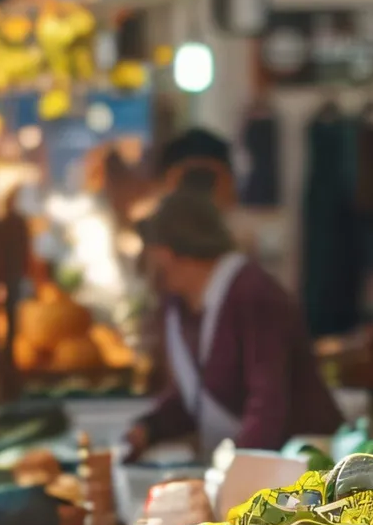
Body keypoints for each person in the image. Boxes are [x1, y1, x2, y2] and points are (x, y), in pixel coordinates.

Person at [121, 184, 342, 457]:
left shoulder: (254, 294)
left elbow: (268, 404)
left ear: (165, 252)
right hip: (247, 466)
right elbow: (194, 397)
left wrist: (234, 474)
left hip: (304, 466)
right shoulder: (178, 307)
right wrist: (148, 429)